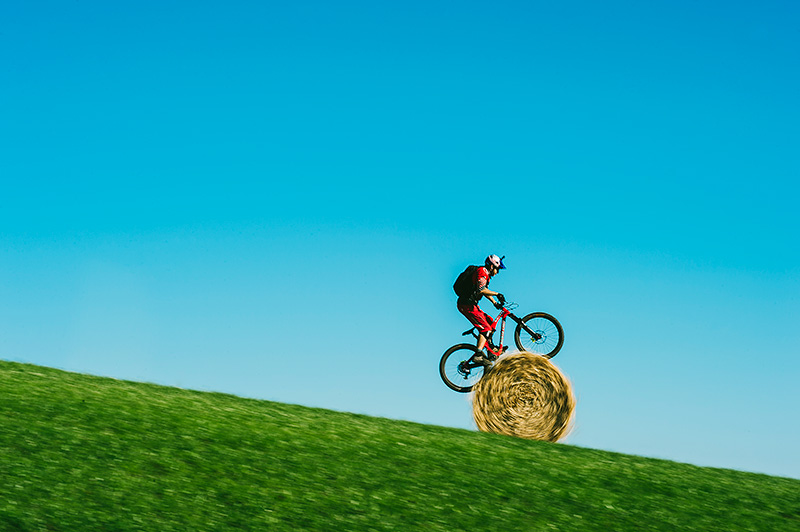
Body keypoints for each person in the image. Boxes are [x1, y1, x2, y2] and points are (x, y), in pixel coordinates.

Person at [456, 254, 506, 362]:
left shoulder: (485, 274)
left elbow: (484, 290)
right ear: (492, 266)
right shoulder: (482, 271)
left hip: (471, 305)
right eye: (498, 269)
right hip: (466, 305)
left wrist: (494, 302)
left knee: (490, 322)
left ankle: (491, 349)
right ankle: (478, 355)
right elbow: (481, 290)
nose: (497, 273)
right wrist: (497, 294)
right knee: (486, 329)